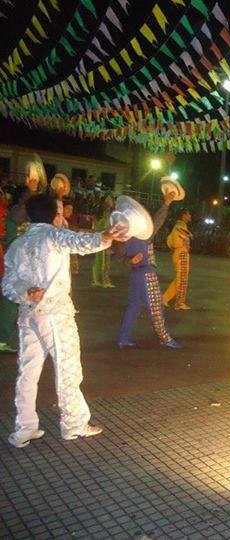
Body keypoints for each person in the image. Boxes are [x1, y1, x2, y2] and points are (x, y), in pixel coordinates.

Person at [2, 194, 128, 448]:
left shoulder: (18, 244)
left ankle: (24, 428)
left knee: (27, 373)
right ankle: (74, 424)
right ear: (52, 215)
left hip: (28, 315)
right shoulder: (54, 236)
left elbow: (7, 284)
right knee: (68, 369)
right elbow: (83, 242)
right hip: (56, 316)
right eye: (58, 212)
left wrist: (26, 292)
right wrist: (107, 236)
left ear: (29, 215)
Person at [117, 192, 183, 350]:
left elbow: (118, 258)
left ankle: (123, 338)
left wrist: (130, 261)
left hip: (134, 275)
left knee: (133, 307)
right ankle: (165, 338)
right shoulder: (144, 235)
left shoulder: (122, 236)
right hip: (147, 274)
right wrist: (166, 204)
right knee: (156, 307)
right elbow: (157, 221)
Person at [0, 156, 46, 354]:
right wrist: (31, 191)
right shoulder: (17, 210)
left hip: (25, 259)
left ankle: (13, 337)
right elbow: (19, 216)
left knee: (23, 299)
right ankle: (4, 337)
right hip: (15, 259)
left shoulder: (26, 208)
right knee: (12, 299)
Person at [162, 207, 192, 310]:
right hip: (182, 252)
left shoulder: (177, 226)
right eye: (188, 214)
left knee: (180, 278)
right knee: (182, 278)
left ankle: (166, 298)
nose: (190, 216)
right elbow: (186, 240)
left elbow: (170, 241)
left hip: (179, 252)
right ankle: (179, 303)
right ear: (184, 215)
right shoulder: (180, 226)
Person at [92, 195, 115, 288]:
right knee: (101, 260)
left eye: (110, 200)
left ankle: (102, 280)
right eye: (108, 200)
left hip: (105, 240)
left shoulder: (110, 213)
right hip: (102, 238)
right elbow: (96, 222)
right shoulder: (104, 214)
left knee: (104, 261)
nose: (109, 202)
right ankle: (100, 280)